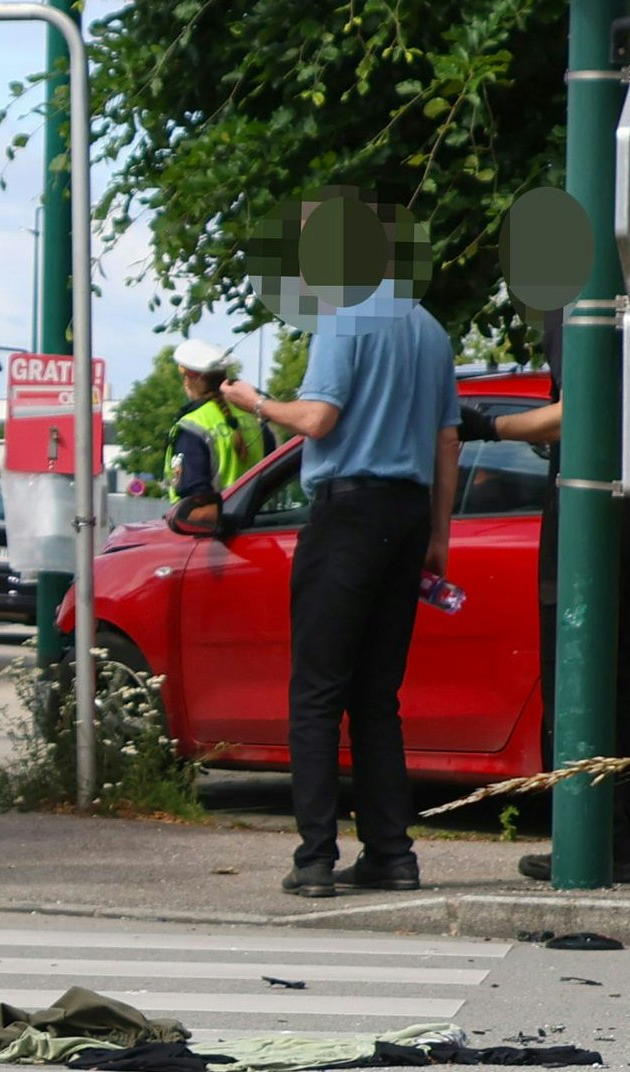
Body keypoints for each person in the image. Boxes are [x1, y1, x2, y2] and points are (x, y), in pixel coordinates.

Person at [215, 205, 459, 899]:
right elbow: (447, 441)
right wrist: (437, 538)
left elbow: (319, 418)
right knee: (378, 697)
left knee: (318, 693)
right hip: (409, 517)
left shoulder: (344, 316)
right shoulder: (430, 329)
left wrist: (256, 402)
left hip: (348, 515)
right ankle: (392, 854)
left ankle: (315, 858)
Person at [472, 384, 630, 884]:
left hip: (590, 507)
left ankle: (591, 844)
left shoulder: (581, 327)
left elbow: (579, 410)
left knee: (577, 675)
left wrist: (490, 426)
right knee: (621, 679)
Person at [161, 340, 265, 534]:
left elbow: (195, 500)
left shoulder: (192, 426)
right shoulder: (252, 417)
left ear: (188, 380)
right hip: (258, 528)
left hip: (213, 536)